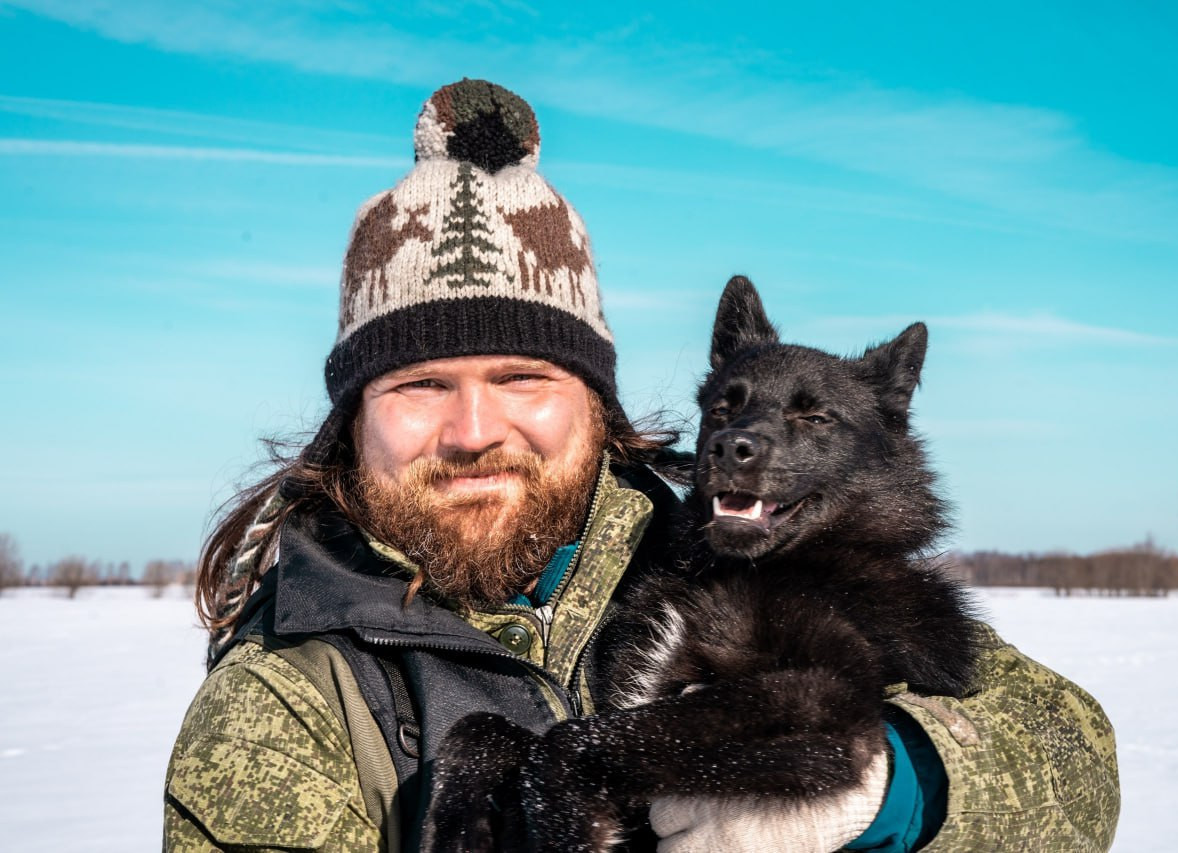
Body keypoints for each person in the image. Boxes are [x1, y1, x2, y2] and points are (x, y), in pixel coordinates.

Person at [164, 79, 1120, 852]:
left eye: (522, 375)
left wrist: (896, 791)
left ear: (595, 400)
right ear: (354, 417)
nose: (472, 429)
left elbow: (1077, 763)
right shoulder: (287, 699)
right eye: (418, 385)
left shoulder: (721, 552)